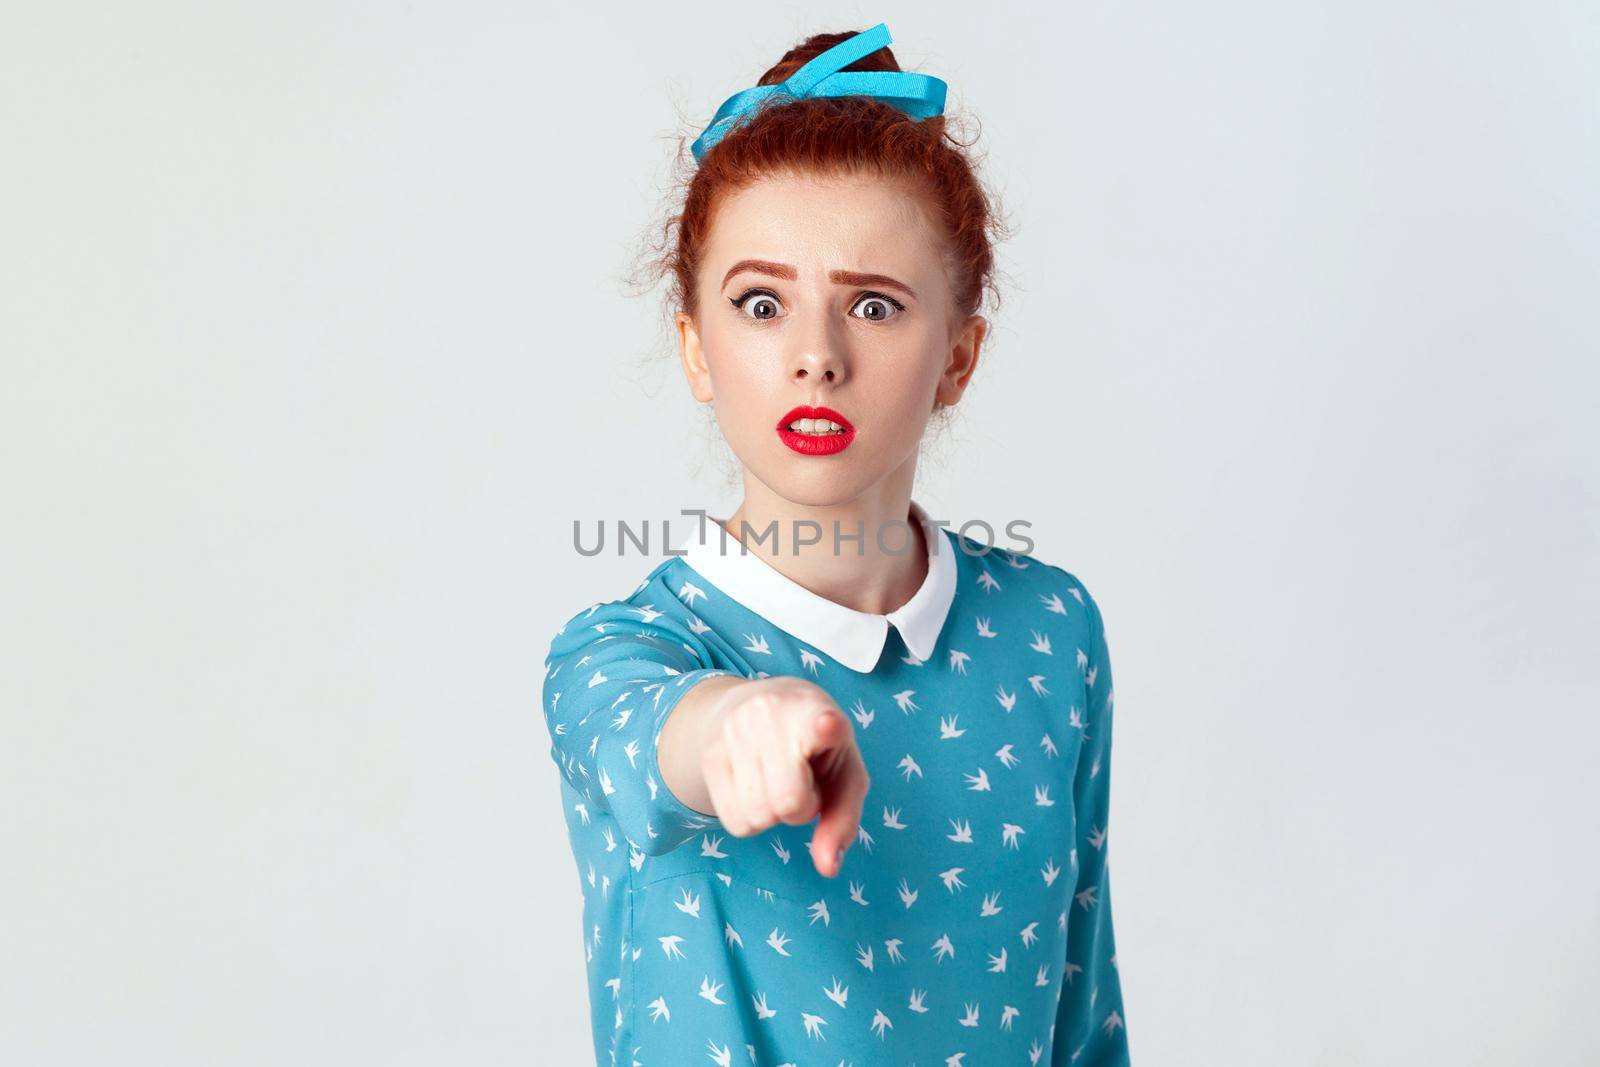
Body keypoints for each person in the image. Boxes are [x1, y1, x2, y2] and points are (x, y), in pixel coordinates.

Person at [540, 22, 1131, 1066]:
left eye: (872, 303)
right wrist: (739, 718)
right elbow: (654, 742)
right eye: (761, 304)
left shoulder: (1051, 630)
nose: (816, 355)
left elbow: (1084, 1009)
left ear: (958, 356)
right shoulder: (622, 653)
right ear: (695, 347)